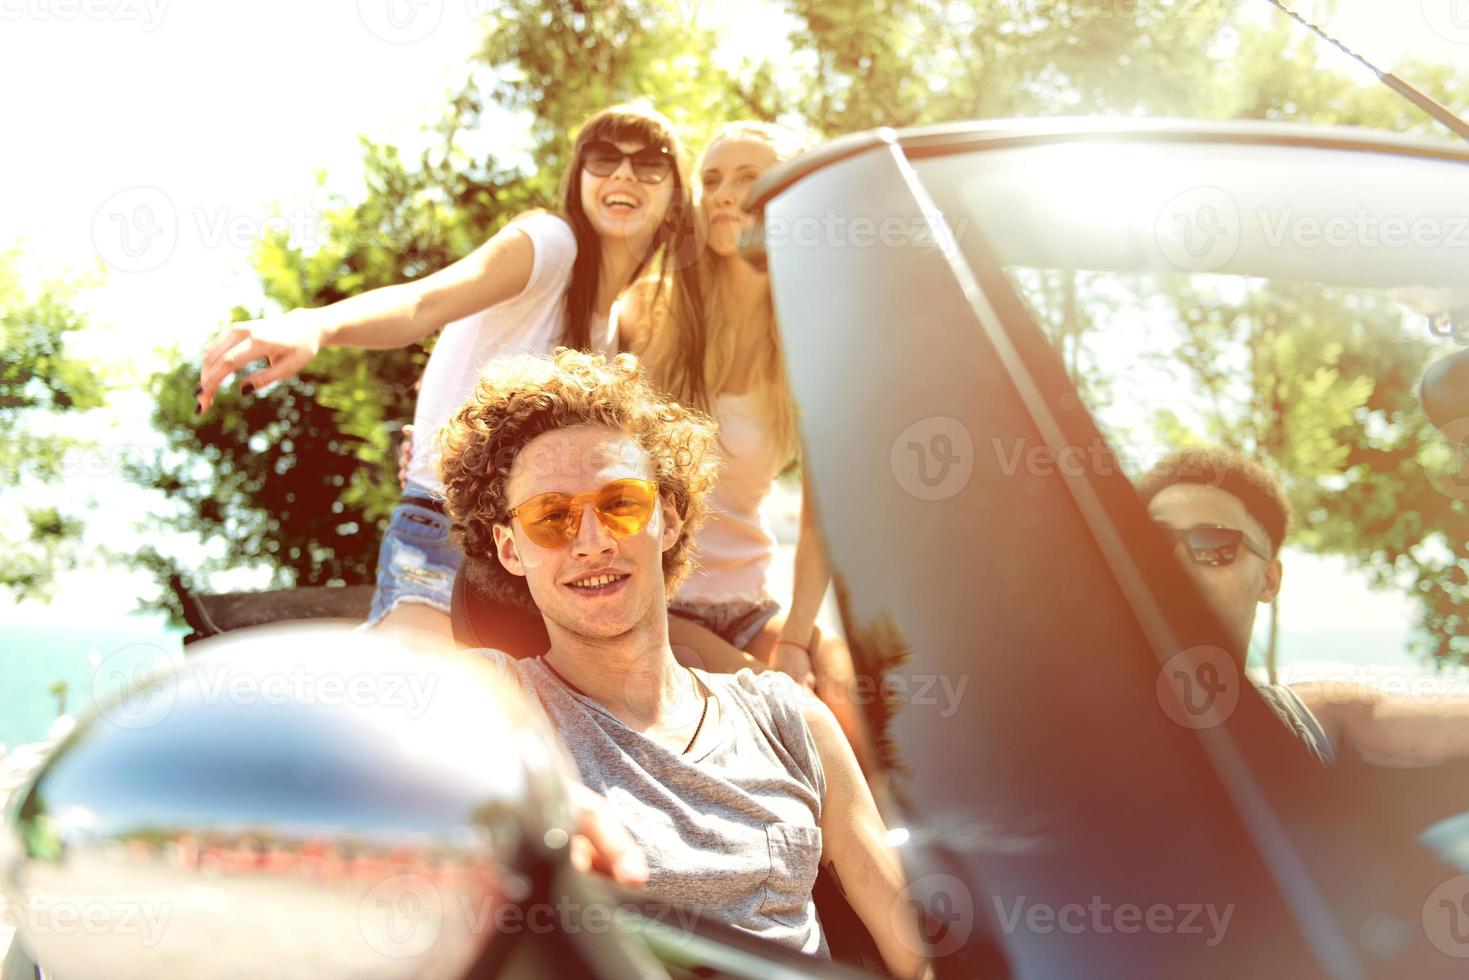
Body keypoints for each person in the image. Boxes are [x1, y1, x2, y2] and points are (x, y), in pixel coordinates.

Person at [435, 347, 927, 975]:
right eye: (552, 517)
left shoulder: (791, 720)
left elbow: (918, 953)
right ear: (509, 547)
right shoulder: (491, 708)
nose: (593, 541)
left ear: (666, 517)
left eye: (620, 503)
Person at [194, 102, 692, 645]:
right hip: (444, 532)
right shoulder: (551, 246)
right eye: (603, 158)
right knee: (415, 703)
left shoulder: (611, 329)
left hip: (534, 552)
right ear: (578, 180)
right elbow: (423, 303)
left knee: (506, 722)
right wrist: (316, 325)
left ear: (673, 197)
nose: (623, 173)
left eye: (649, 163)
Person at [619, 122, 872, 768]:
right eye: (711, 180)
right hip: (656, 601)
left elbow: (825, 516)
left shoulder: (811, 341)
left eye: (748, 178)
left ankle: (911, 868)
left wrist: (793, 637)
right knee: (799, 723)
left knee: (851, 700)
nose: (724, 194)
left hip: (751, 598)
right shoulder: (648, 309)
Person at [1139, 446, 1469, 767]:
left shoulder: (1313, 715)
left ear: (1269, 580)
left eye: (1213, 545)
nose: (1176, 563)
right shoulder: (1090, 707)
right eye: (1156, 542)